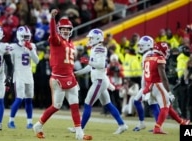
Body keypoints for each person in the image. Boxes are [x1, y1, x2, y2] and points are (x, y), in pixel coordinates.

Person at [33, 9, 91, 140]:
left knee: (75, 104)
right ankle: (38, 125)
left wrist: (85, 60)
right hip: (58, 78)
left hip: (70, 76)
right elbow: (53, 34)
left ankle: (79, 133)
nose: (65, 31)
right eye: (63, 29)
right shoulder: (56, 40)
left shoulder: (71, 44)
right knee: (56, 106)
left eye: (67, 29)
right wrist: (52, 19)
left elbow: (71, 60)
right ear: (59, 29)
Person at [68, 28, 128, 135]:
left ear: (97, 38)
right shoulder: (95, 48)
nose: (89, 40)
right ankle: (122, 125)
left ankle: (80, 128)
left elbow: (101, 65)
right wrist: (76, 73)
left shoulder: (99, 49)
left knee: (87, 103)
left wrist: (88, 61)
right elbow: (91, 68)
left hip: (99, 81)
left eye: (91, 38)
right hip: (100, 80)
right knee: (108, 104)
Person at [142, 42, 190, 134]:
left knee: (168, 106)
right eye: (166, 49)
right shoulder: (159, 58)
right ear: (161, 50)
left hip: (151, 85)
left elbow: (146, 74)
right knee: (165, 107)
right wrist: (169, 92)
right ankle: (157, 127)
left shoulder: (148, 58)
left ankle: (182, 122)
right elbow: (163, 77)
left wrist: (147, 87)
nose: (167, 51)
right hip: (158, 85)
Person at [7, 26, 39, 129]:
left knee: (29, 100)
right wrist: (8, 77)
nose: (26, 39)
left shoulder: (32, 46)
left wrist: (31, 50)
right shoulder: (12, 46)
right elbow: (9, 64)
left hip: (29, 75)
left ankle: (29, 122)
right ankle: (10, 121)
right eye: (24, 36)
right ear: (19, 36)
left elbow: (37, 61)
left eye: (27, 36)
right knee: (19, 98)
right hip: (18, 74)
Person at [132, 36, 160, 131]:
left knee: (137, 101)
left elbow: (146, 74)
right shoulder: (152, 54)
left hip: (149, 83)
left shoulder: (147, 55)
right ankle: (157, 126)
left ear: (148, 45)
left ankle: (142, 123)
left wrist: (144, 87)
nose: (140, 47)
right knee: (153, 104)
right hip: (153, 83)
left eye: (142, 45)